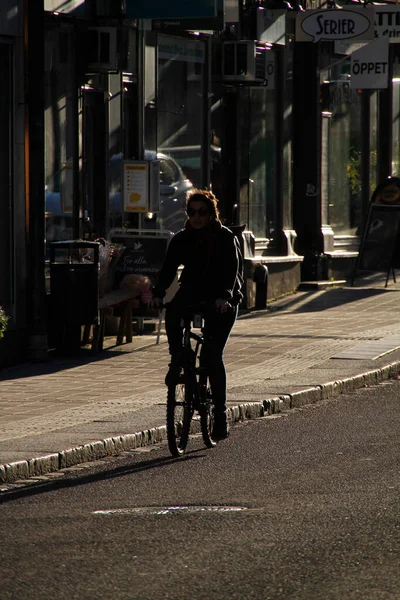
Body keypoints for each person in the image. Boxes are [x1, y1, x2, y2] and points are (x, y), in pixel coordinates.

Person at [150, 189, 243, 440]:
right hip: (192, 293)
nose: (197, 217)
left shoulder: (225, 238)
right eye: (192, 212)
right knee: (173, 313)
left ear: (212, 213)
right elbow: (169, 268)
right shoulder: (182, 239)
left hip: (222, 297)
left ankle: (220, 415)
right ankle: (177, 358)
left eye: (202, 212)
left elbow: (231, 270)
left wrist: (225, 296)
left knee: (212, 355)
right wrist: (158, 292)